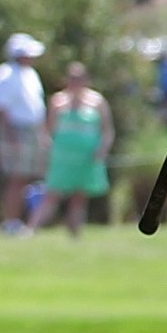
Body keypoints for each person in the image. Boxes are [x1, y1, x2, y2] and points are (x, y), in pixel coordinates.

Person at [0, 34, 51, 233]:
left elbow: (36, 106)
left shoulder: (30, 74)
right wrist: (11, 137)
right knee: (16, 177)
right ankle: (9, 221)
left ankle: (20, 220)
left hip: (32, 130)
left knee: (26, 177)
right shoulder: (4, 74)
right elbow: (1, 109)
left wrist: (42, 133)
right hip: (15, 129)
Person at [42, 63, 113, 236]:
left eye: (79, 78)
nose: (76, 82)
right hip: (62, 156)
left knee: (79, 195)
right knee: (53, 193)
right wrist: (46, 149)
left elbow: (107, 130)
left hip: (87, 156)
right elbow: (47, 130)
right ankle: (31, 228)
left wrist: (102, 149)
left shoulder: (97, 101)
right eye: (72, 78)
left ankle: (75, 232)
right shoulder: (57, 101)